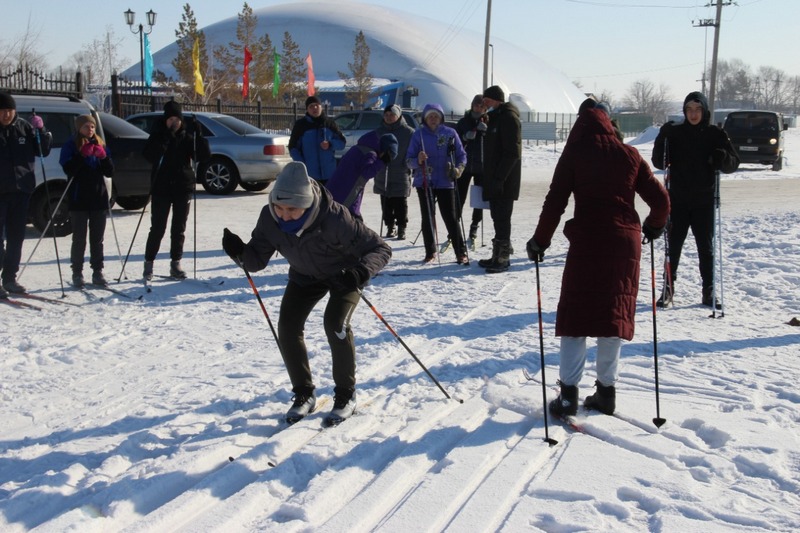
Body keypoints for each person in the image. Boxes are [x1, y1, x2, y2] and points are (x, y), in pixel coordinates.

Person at [527, 100, 670, 417]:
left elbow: (556, 201)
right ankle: (606, 393)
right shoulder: (629, 154)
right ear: (609, 121)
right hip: (625, 244)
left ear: (580, 122)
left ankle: (567, 397)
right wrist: (654, 226)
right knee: (612, 318)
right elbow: (661, 200)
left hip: (589, 242)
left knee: (575, 320)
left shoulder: (575, 152)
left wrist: (539, 242)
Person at [221, 161, 391, 426]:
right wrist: (239, 252)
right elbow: (256, 261)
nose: (284, 215)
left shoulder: (335, 218)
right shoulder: (270, 218)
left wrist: (360, 273)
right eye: (279, 207)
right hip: (304, 276)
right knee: (287, 327)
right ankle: (304, 394)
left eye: (292, 209)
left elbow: (380, 249)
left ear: (308, 203)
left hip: (343, 277)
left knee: (335, 325)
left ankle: (346, 395)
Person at [651, 91, 740, 308]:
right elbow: (659, 162)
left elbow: (733, 163)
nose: (693, 114)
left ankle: (709, 290)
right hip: (678, 200)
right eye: (689, 110)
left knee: (705, 248)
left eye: (697, 110)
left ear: (704, 111)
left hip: (704, 201)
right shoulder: (675, 133)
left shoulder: (715, 134)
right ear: (684, 111)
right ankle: (668, 288)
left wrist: (722, 157)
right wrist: (663, 137)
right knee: (673, 246)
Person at [142, 101, 210, 281]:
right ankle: (149, 263)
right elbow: (148, 155)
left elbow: (203, 156)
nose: (174, 122)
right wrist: (163, 139)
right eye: (171, 119)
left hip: (182, 187)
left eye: (177, 119)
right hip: (161, 188)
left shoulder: (187, 137)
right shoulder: (157, 136)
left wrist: (199, 135)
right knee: (158, 227)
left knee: (178, 228)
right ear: (165, 120)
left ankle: (175, 263)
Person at [0, 92, 51, 297]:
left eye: (10, 111)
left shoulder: (24, 127)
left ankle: (10, 278)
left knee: (16, 237)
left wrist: (41, 130)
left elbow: (43, 150)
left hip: (21, 190)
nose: (6, 115)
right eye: (3, 111)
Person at [406, 103, 468, 264]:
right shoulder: (418, 135)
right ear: (425, 119)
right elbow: (408, 160)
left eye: (436, 116)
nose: (433, 119)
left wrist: (457, 170)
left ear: (441, 118)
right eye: (430, 116)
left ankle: (460, 252)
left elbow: (462, 156)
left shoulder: (450, 133)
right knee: (427, 217)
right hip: (425, 181)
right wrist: (417, 160)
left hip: (445, 181)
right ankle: (430, 251)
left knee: (450, 217)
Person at [59, 114, 114, 287]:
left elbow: (110, 171)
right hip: (79, 198)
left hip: (98, 197)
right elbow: (68, 169)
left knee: (97, 238)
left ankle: (97, 271)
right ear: (78, 128)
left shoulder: (100, 143)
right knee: (79, 238)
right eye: (86, 127)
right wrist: (81, 156)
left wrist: (103, 157)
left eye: (92, 127)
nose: (90, 130)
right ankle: (77, 272)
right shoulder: (71, 144)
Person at [478, 85, 521, 274]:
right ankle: (497, 254)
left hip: (504, 180)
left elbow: (512, 153)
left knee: (503, 218)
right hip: (494, 178)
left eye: (487, 100)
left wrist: (499, 178)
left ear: (497, 100)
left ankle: (503, 258)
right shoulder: (496, 118)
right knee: (497, 217)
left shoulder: (509, 118)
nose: (484, 104)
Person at [325, 131, 398, 220]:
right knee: (347, 224)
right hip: (345, 194)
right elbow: (366, 173)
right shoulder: (370, 154)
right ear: (385, 151)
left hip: (336, 189)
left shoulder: (360, 148)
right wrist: (382, 162)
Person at [374, 104, 415, 240]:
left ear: (398, 116)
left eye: (392, 115)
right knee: (385, 202)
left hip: (400, 171)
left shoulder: (408, 132)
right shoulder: (378, 131)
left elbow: (414, 150)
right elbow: (372, 149)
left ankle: (401, 227)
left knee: (400, 202)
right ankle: (390, 225)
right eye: (386, 115)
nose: (389, 117)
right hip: (383, 171)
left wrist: (408, 163)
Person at [455, 94, 488, 248]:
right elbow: (455, 142)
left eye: (482, 106)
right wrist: (465, 137)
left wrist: (486, 133)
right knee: (459, 197)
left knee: (479, 199)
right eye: (476, 105)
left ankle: (474, 227)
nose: (479, 108)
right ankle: (455, 227)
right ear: (472, 105)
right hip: (465, 165)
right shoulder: (463, 122)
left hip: (482, 166)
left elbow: (494, 142)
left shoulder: (488, 121)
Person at [288, 96, 346, 184]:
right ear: (307, 109)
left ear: (321, 107)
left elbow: (342, 142)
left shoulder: (329, 123)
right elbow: (293, 148)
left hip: (330, 174)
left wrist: (330, 144)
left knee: (330, 197)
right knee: (313, 198)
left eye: (316, 105)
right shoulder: (301, 125)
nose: (314, 108)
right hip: (310, 175)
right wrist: (302, 165)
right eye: (311, 106)